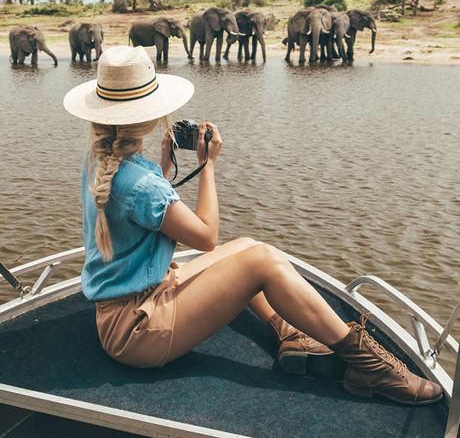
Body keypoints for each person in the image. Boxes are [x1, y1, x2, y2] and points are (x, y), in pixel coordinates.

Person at [63, 45, 442, 406]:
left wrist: (164, 163)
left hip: (123, 315)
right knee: (260, 261)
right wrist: (208, 167)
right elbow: (207, 237)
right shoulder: (139, 183)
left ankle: (290, 333)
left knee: (246, 245)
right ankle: (370, 368)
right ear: (152, 113)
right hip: (138, 332)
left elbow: (138, 211)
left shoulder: (101, 161)